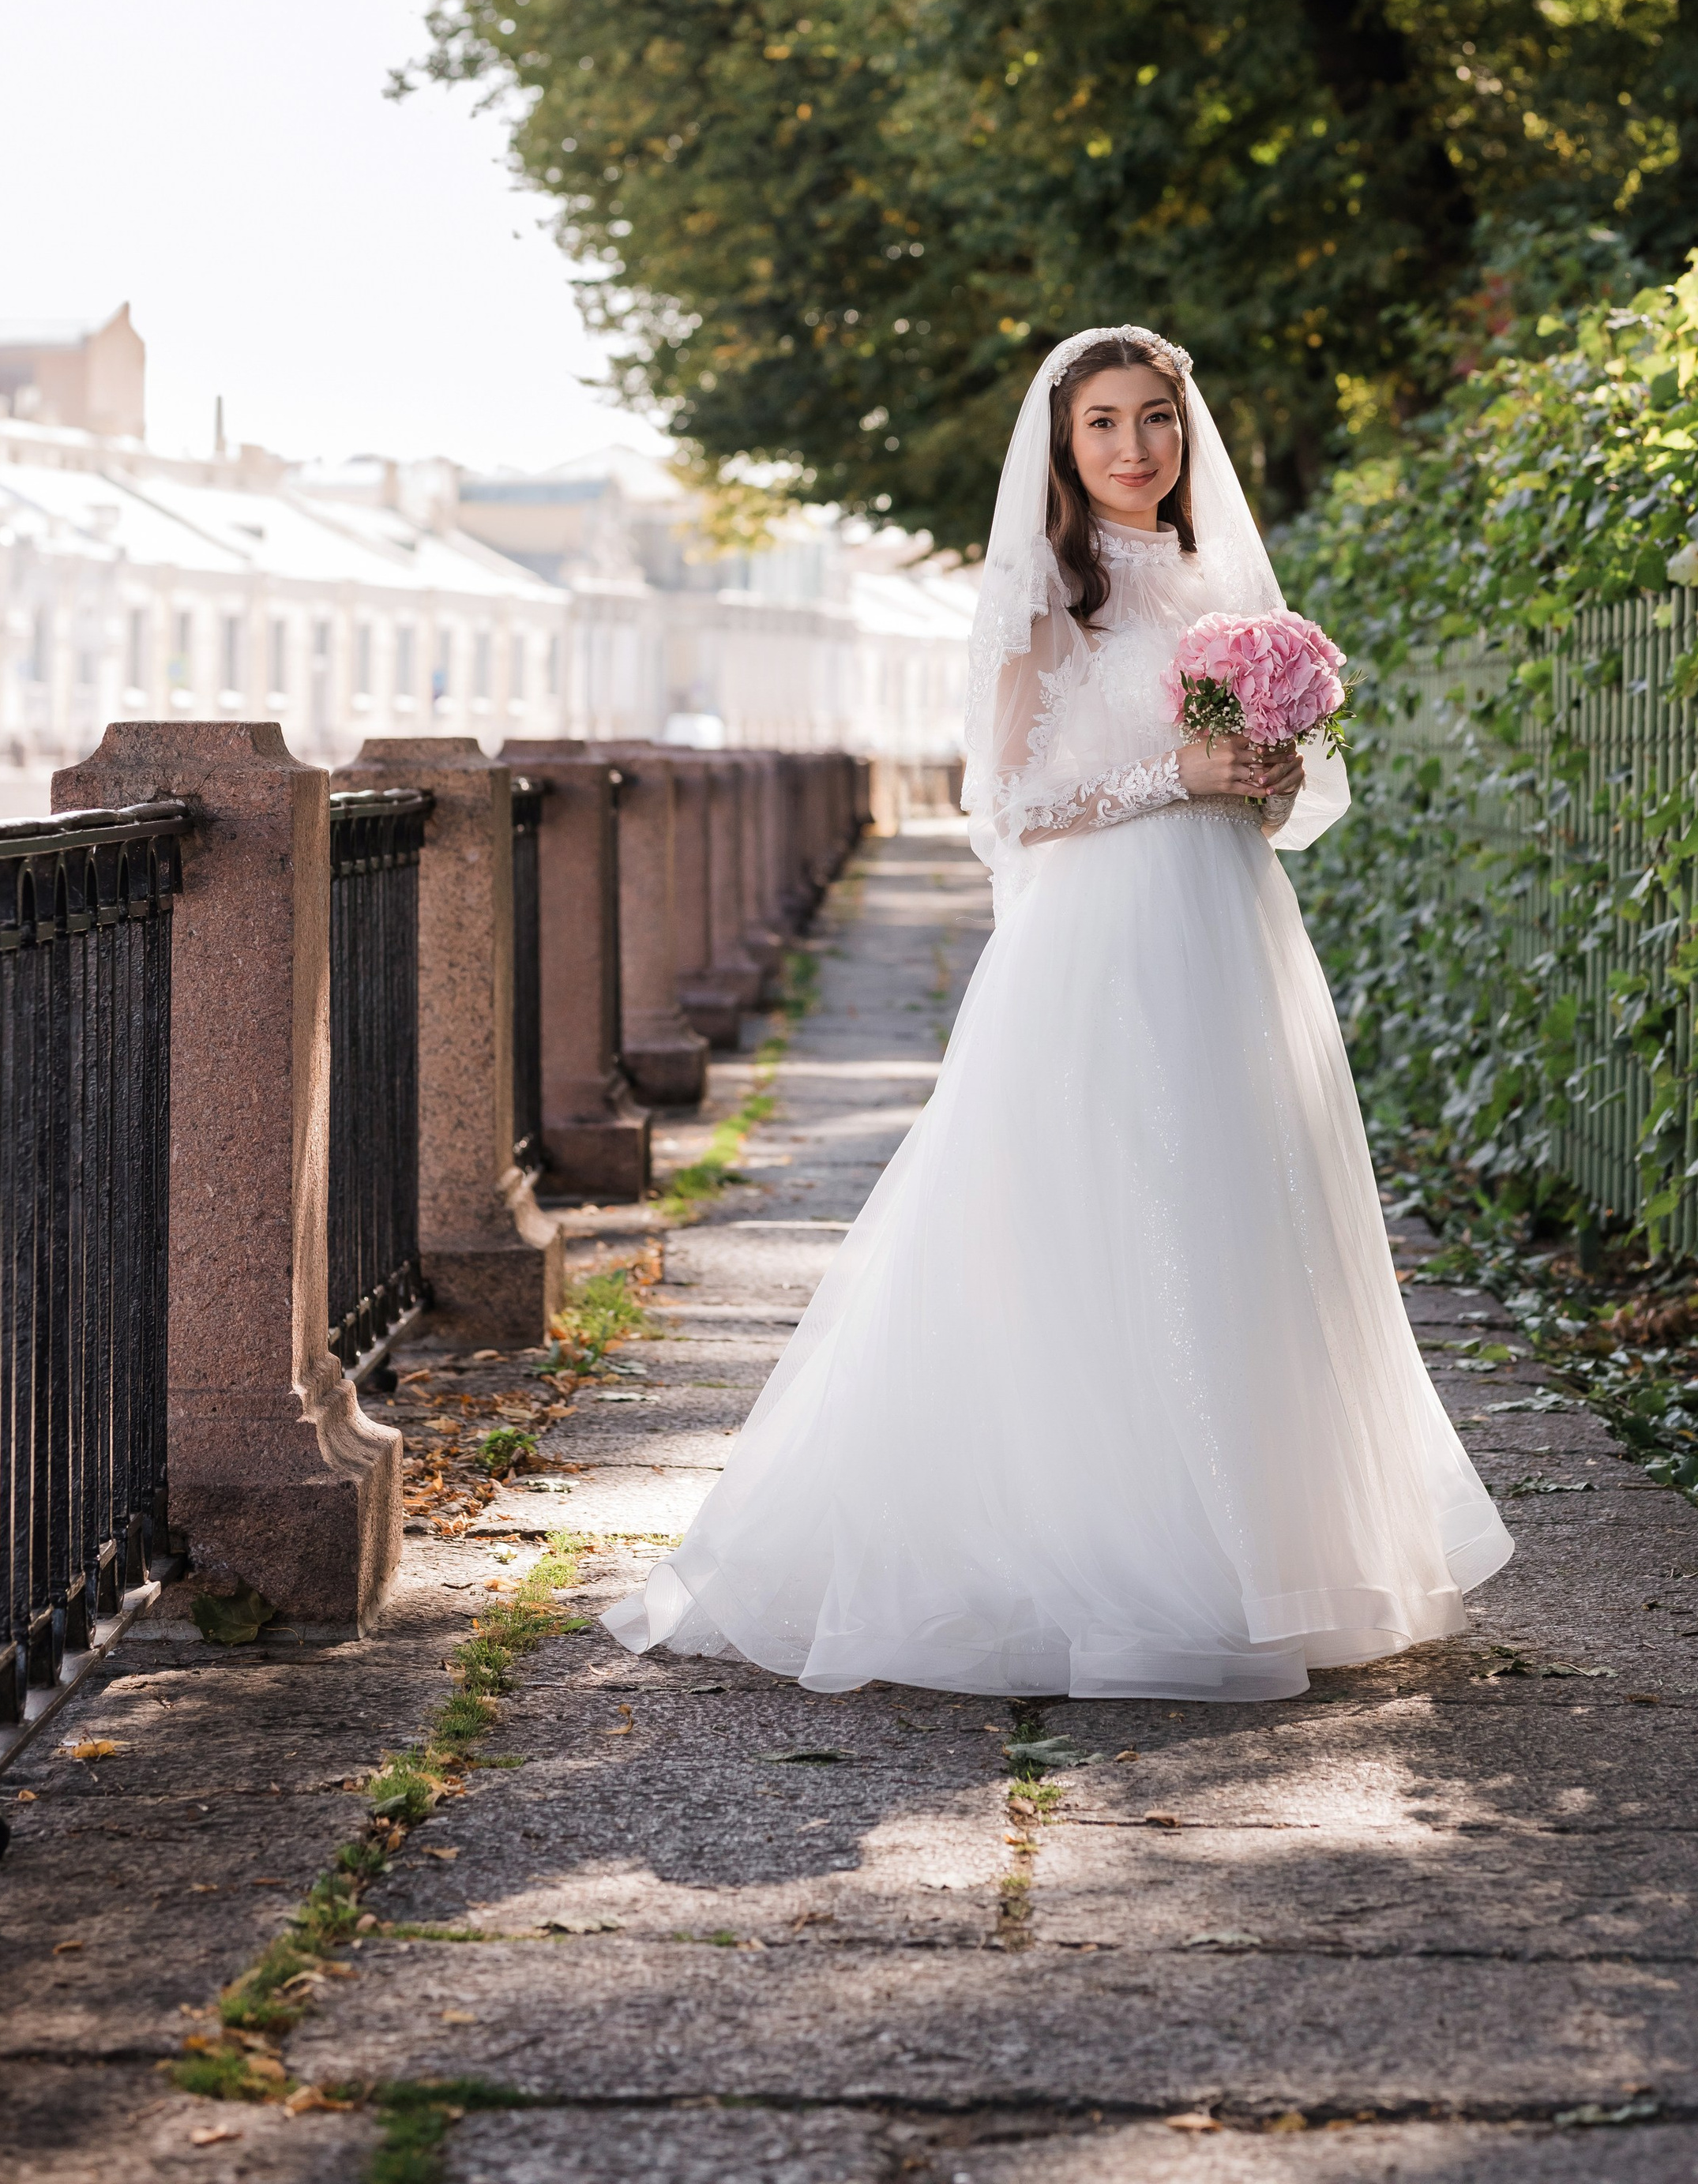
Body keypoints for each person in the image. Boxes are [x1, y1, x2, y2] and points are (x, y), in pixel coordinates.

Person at [604, 325, 1512, 1698]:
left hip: (1229, 921)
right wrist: (1179, 777)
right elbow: (1012, 805)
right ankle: (1084, 1546)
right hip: (1100, 934)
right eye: (1105, 423)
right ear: (1062, 440)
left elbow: (1281, 797)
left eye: (1158, 419)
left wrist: (1254, 775)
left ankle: (1260, 1551)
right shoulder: (1044, 588)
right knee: (1096, 1203)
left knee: (1239, 1206)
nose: (1136, 448)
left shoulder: (1222, 579)